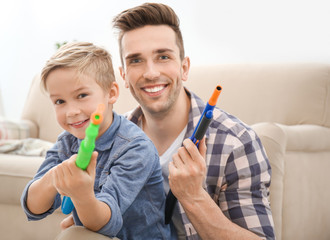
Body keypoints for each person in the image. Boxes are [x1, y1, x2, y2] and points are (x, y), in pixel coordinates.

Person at [113, 3, 275, 240]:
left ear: (184, 67)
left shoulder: (236, 143)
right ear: (124, 75)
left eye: (163, 56)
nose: (150, 73)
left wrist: (193, 196)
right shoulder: (112, 139)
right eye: (136, 60)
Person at [20, 42, 171, 240]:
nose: (71, 111)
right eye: (59, 101)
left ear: (112, 93)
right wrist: (54, 178)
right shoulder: (67, 142)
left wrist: (82, 195)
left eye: (82, 95)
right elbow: (33, 207)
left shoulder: (135, 147)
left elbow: (106, 224)